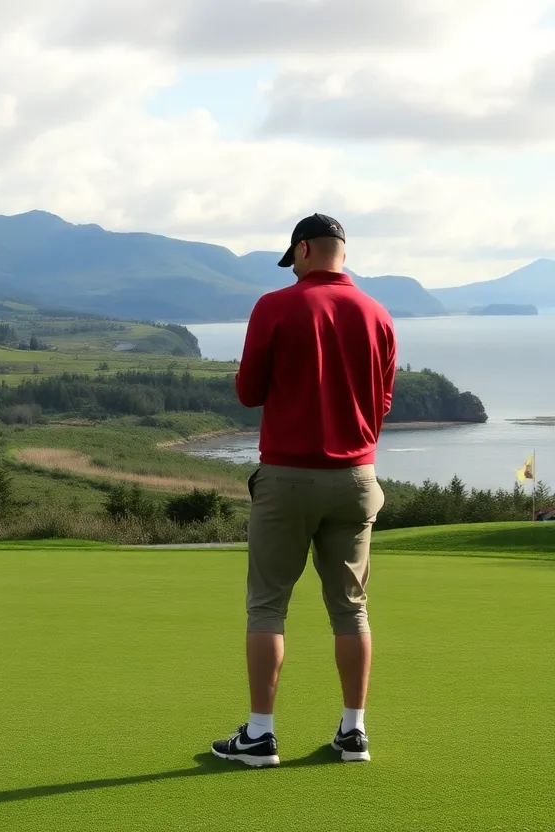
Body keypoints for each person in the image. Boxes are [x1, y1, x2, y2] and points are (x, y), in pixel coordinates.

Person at [211, 214, 395, 768]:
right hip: (357, 479)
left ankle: (261, 736)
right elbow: (382, 404)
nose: (292, 268)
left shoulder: (275, 306)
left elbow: (247, 393)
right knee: (351, 611)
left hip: (287, 476)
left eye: (293, 258)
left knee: (267, 606)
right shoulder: (379, 314)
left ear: (306, 249)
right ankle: (352, 733)